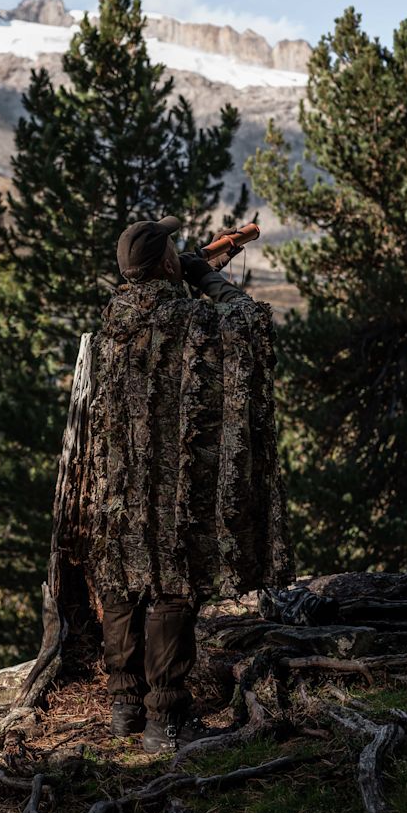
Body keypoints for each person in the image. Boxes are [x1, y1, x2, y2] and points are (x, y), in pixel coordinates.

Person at [89, 215, 275, 754]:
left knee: (124, 578)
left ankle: (125, 706)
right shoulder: (189, 318)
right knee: (171, 584)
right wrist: (209, 277)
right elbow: (251, 321)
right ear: (168, 262)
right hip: (171, 482)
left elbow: (157, 287)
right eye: (172, 247)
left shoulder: (116, 314)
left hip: (121, 481)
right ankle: (165, 721)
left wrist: (193, 264)